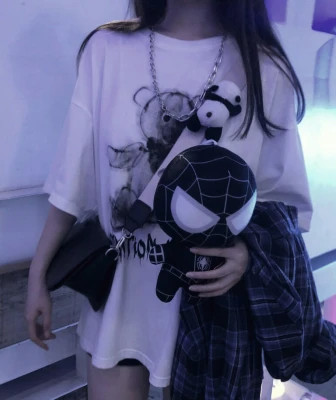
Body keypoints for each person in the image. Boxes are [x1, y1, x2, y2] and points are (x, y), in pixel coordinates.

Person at [25, 1, 312, 399]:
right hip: (120, 313)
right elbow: (71, 181)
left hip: (215, 320)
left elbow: (283, 207)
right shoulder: (107, 50)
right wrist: (38, 277)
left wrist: (248, 254)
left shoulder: (264, 69)